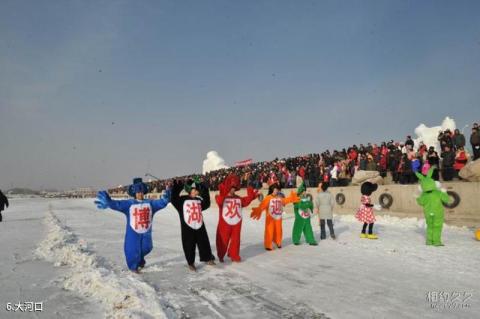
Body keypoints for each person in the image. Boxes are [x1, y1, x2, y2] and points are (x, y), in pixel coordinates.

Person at [94, 178, 171, 272]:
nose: (140, 194)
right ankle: (134, 267)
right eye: (138, 192)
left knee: (147, 247)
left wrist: (165, 200)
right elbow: (118, 204)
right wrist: (109, 202)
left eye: (141, 192)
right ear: (134, 193)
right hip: (133, 231)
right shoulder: (129, 204)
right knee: (132, 249)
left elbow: (160, 203)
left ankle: (140, 259)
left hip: (146, 232)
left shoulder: (150, 203)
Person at [171, 177, 215, 271]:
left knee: (204, 242)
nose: (196, 192)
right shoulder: (182, 200)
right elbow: (174, 199)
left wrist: (204, 189)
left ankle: (207, 258)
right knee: (189, 245)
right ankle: (191, 263)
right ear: (189, 190)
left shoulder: (199, 200)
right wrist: (177, 187)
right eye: (195, 190)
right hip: (187, 227)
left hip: (199, 225)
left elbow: (206, 203)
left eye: (197, 191)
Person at [215, 174, 258, 263]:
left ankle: (234, 254)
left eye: (234, 187)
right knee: (223, 239)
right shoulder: (222, 197)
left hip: (236, 223)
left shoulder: (238, 198)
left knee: (236, 239)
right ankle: (221, 254)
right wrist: (223, 193)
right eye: (231, 187)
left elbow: (246, 201)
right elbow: (219, 201)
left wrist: (251, 191)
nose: (232, 189)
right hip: (225, 223)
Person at [250, 183, 300, 250]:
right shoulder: (268, 198)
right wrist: (258, 210)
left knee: (278, 230)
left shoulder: (279, 198)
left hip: (278, 217)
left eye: (277, 190)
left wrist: (292, 198)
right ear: (272, 190)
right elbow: (262, 205)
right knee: (269, 230)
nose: (276, 191)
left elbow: (285, 201)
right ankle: (268, 244)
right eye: (275, 190)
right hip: (270, 217)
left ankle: (278, 242)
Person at [415, 168, 451, 246]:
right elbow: (447, 200)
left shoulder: (424, 195)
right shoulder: (438, 193)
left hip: (428, 213)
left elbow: (420, 202)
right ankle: (436, 241)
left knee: (430, 226)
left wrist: (418, 198)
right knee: (437, 226)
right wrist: (444, 193)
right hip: (438, 213)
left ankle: (429, 241)